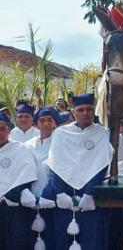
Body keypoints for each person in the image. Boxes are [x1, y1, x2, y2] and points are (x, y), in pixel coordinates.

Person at [40, 93, 114, 250]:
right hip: (65, 198)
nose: (85, 113)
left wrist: (89, 193)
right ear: (73, 112)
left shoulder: (103, 133)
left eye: (89, 109)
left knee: (92, 242)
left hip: (91, 199)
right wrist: (60, 193)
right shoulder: (60, 133)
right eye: (80, 110)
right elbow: (55, 164)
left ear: (94, 111)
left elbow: (101, 165)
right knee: (63, 241)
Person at [0, 112, 38, 250]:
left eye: (2, 128)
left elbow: (26, 173)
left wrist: (12, 194)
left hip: (13, 206)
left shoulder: (20, 149)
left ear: (9, 130)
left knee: (15, 242)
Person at [25, 106, 61, 250]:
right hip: (31, 198)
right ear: (36, 123)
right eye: (42, 120)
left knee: (51, 235)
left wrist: (50, 193)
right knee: (32, 236)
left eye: (49, 120)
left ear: (55, 123)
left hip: (53, 199)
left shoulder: (61, 143)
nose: (46, 124)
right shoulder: (27, 146)